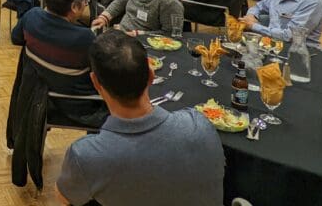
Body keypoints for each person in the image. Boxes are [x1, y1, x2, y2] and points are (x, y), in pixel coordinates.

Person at [55, 32, 224, 206]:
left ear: (96, 83)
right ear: (151, 75)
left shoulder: (85, 155)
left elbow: (64, 197)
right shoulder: (201, 125)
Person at [11, 0, 106, 126]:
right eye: (85, 2)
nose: (86, 5)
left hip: (36, 95)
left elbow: (16, 39)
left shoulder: (31, 15)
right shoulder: (85, 37)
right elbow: (102, 73)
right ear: (74, 7)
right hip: (77, 106)